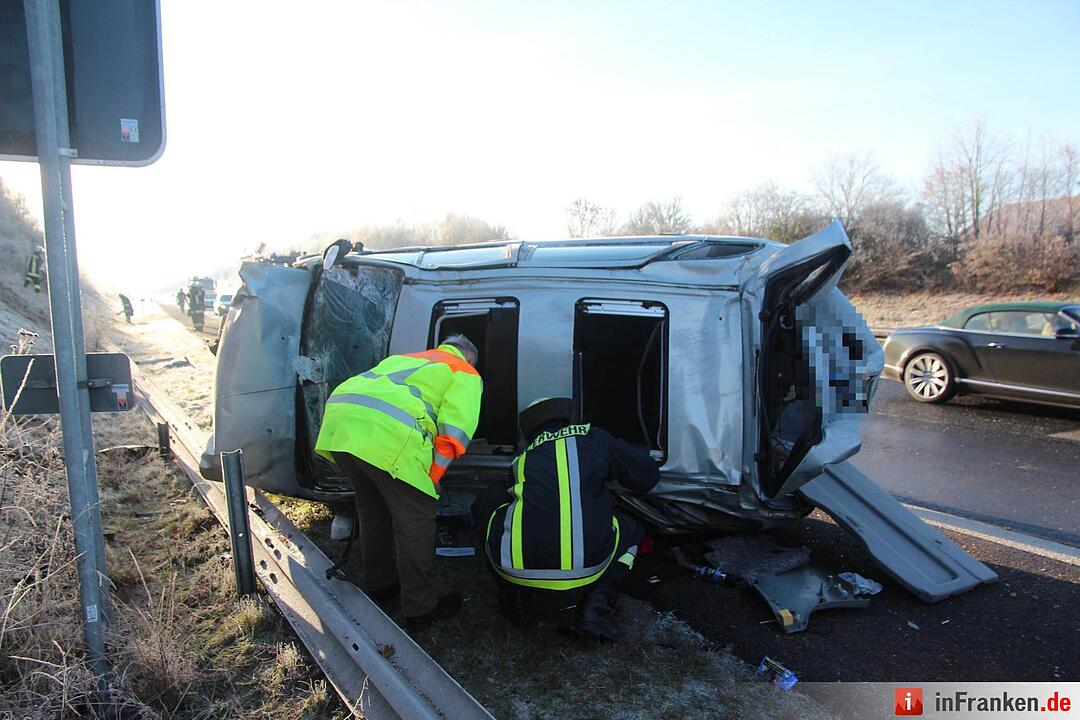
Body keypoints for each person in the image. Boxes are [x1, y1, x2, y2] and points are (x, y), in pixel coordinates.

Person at [315, 335, 483, 629]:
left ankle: (381, 586)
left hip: (340, 426)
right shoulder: (465, 371)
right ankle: (421, 609)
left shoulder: (407, 358)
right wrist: (432, 477)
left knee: (372, 511)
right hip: (385, 437)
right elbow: (455, 432)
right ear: (469, 357)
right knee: (415, 524)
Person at [478, 397, 659, 641]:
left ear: (528, 431)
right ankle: (596, 608)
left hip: (516, 570)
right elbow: (647, 477)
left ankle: (516, 604)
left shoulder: (521, 460)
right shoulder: (594, 438)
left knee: (486, 505)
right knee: (633, 527)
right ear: (569, 418)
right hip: (589, 568)